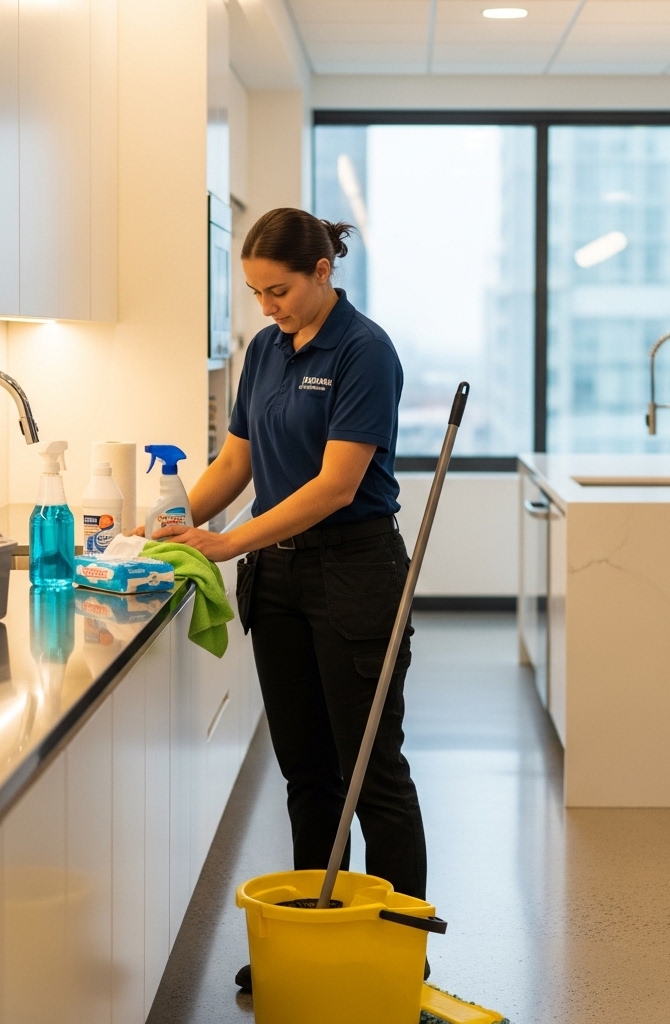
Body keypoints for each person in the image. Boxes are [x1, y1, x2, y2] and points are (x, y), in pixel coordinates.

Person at [150, 207, 427, 924]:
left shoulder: (364, 351)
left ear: (322, 272)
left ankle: (399, 948)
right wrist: (170, 524)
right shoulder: (266, 351)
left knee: (371, 774)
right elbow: (234, 463)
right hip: (277, 584)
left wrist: (230, 542)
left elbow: (335, 487)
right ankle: (315, 934)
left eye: (278, 291)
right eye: (256, 293)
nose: (267, 307)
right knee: (307, 775)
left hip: (354, 575)